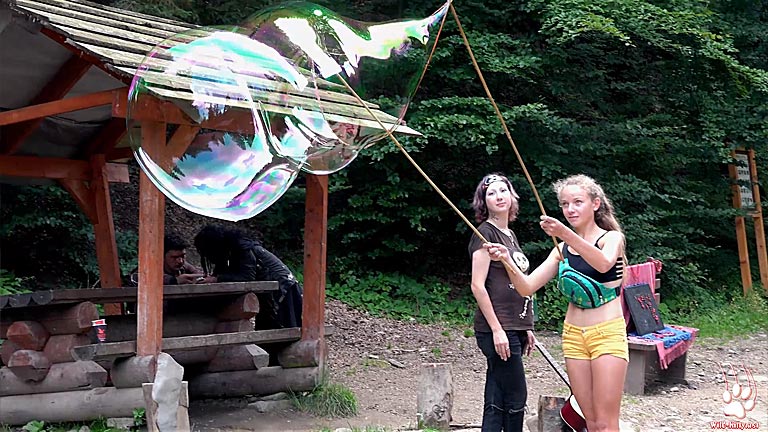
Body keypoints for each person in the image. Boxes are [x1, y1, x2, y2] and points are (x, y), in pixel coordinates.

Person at [486, 174, 627, 432]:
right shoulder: (561, 249)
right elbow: (527, 287)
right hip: (573, 336)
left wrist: (565, 233)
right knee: (590, 422)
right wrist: (506, 260)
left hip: (607, 333)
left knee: (606, 425)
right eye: (564, 204)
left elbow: (603, 263)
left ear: (595, 204)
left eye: (577, 202)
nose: (570, 209)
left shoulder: (611, 238)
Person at [468, 173, 535, 432]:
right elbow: (477, 285)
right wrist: (497, 330)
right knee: (517, 395)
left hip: (515, 326)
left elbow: (519, 282)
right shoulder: (484, 233)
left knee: (497, 394)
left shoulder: (510, 235)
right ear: (483, 202)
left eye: (503, 190)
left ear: (512, 196)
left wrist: (526, 325)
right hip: (497, 328)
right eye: (491, 193)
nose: (498, 196)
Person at [194, 224, 303, 329]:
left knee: (285, 327)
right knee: (267, 326)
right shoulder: (228, 251)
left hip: (283, 287)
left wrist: (216, 279)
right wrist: (207, 278)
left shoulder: (242, 248)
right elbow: (221, 273)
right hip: (268, 291)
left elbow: (247, 277)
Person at [128, 233, 204, 286]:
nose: (180, 261)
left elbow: (199, 273)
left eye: (183, 256)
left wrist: (199, 278)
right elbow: (137, 277)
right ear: (162, 256)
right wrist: (174, 280)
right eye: (174, 257)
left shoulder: (183, 265)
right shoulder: (152, 267)